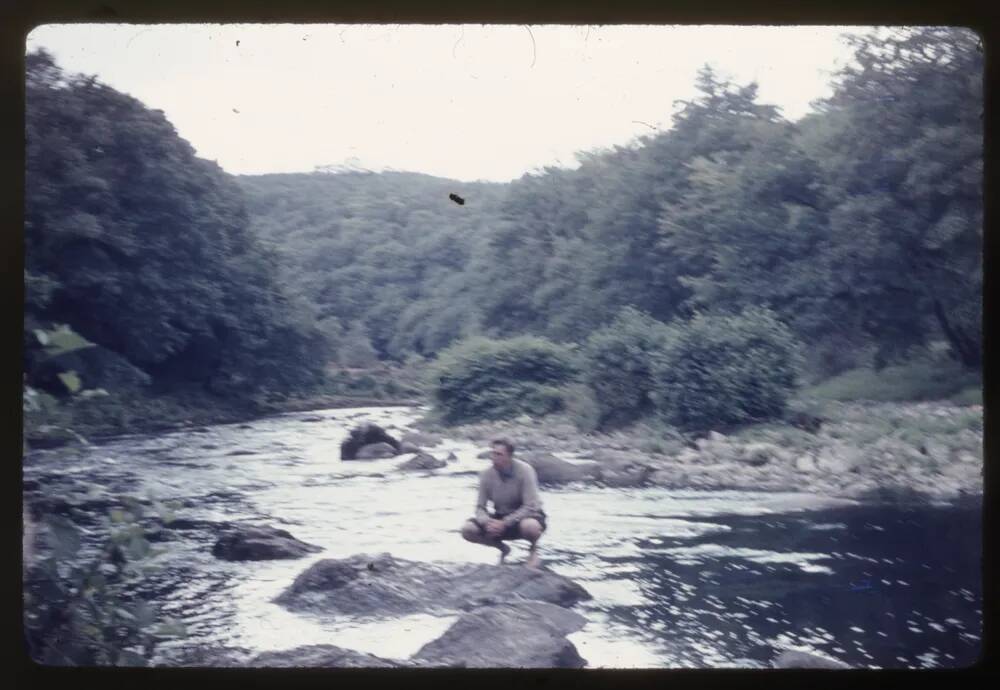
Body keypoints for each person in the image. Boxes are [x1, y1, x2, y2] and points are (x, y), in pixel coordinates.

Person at [461, 438, 546, 568]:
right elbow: (480, 507)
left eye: (499, 454)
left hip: (527, 516)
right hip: (500, 515)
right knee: (467, 529)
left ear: (509, 456)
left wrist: (505, 523)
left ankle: (533, 551)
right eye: (493, 453)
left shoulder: (525, 471)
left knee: (530, 526)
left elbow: (530, 506)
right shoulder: (486, 474)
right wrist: (487, 522)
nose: (494, 457)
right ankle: (503, 548)